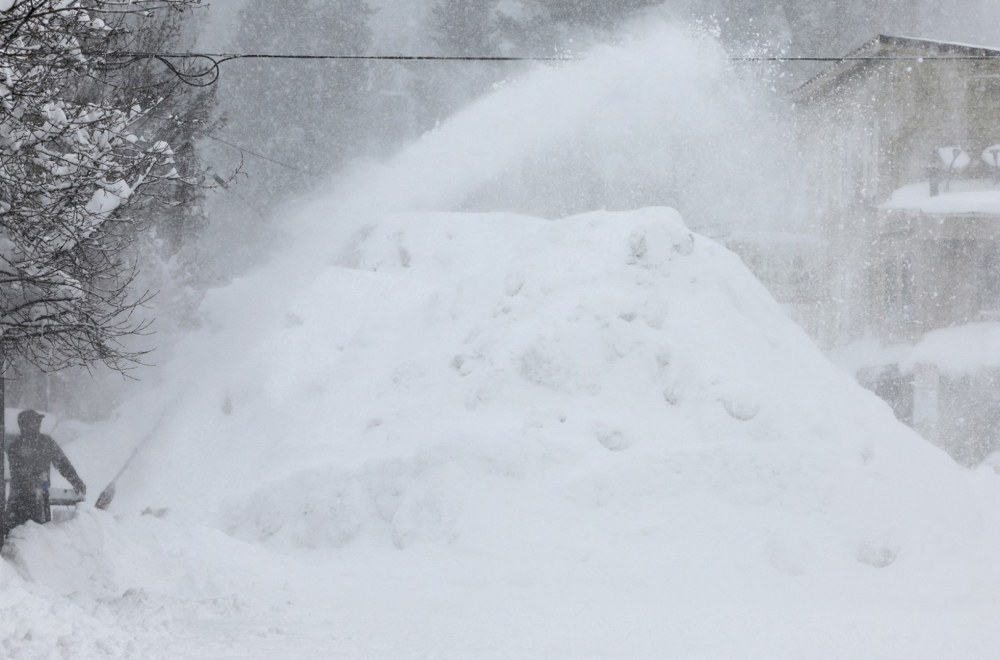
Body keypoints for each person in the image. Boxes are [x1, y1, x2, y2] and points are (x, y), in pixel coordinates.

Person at [6, 409, 85, 530]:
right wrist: (34, 482)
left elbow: (63, 464)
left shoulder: (47, 442)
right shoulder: (16, 445)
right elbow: (19, 472)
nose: (37, 424)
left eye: (38, 421)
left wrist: (76, 481)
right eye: (33, 421)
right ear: (23, 424)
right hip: (19, 501)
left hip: (42, 500)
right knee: (17, 536)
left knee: (41, 536)